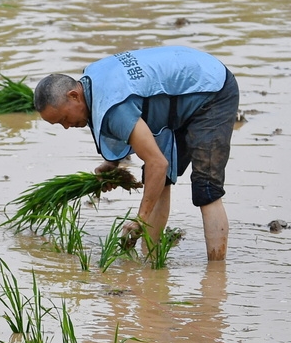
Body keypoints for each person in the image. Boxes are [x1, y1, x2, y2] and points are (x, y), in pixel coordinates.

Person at [32, 46, 237, 261]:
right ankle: (151, 261)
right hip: (177, 93)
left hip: (211, 89)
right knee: (157, 180)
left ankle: (215, 278)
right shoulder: (90, 85)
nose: (66, 127)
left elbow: (158, 162)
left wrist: (141, 218)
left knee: (206, 188)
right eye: (59, 124)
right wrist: (112, 164)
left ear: (74, 96)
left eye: (64, 119)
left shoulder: (114, 107)